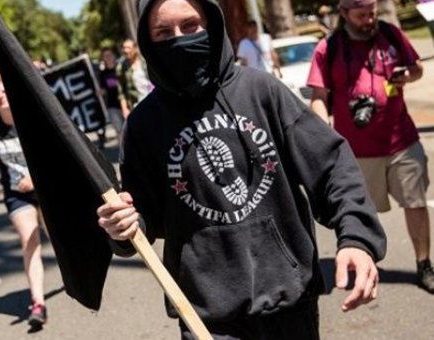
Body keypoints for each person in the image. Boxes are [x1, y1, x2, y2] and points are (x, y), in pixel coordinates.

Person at [96, 0, 387, 338]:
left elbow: (331, 165)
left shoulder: (263, 91)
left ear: (212, 25)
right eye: (164, 32)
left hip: (289, 301)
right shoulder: (143, 125)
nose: (179, 39)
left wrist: (356, 237)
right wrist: (121, 227)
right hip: (206, 315)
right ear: (148, 42)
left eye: (190, 26)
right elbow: (141, 219)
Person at [308, 0, 433, 294]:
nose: (370, 19)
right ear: (344, 13)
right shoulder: (329, 48)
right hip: (356, 152)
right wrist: (323, 133)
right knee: (358, 210)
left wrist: (407, 75)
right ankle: (362, 262)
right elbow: (318, 95)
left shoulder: (390, 34)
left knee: (415, 203)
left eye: (373, 12)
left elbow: (417, 69)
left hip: (402, 140)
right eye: (362, 14)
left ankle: (424, 263)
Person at [0, 69, 48, 328]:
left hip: (45, 189)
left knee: (58, 238)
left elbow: (52, 153)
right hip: (16, 195)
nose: (0, 97)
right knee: (30, 239)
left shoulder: (31, 119)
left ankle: (74, 277)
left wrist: (35, 176)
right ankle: (38, 302)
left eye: (4, 92)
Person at [117, 39, 153, 119]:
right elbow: (121, 92)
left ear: (135, 49)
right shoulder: (121, 67)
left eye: (128, 48)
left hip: (154, 99)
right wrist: (125, 109)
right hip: (137, 104)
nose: (125, 50)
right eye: (124, 48)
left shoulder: (145, 61)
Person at [99, 47, 125, 141]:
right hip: (112, 105)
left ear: (114, 56)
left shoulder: (121, 68)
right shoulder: (102, 74)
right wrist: (101, 92)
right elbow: (103, 89)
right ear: (103, 59)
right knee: (120, 131)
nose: (108, 57)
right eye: (105, 56)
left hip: (126, 102)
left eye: (110, 55)